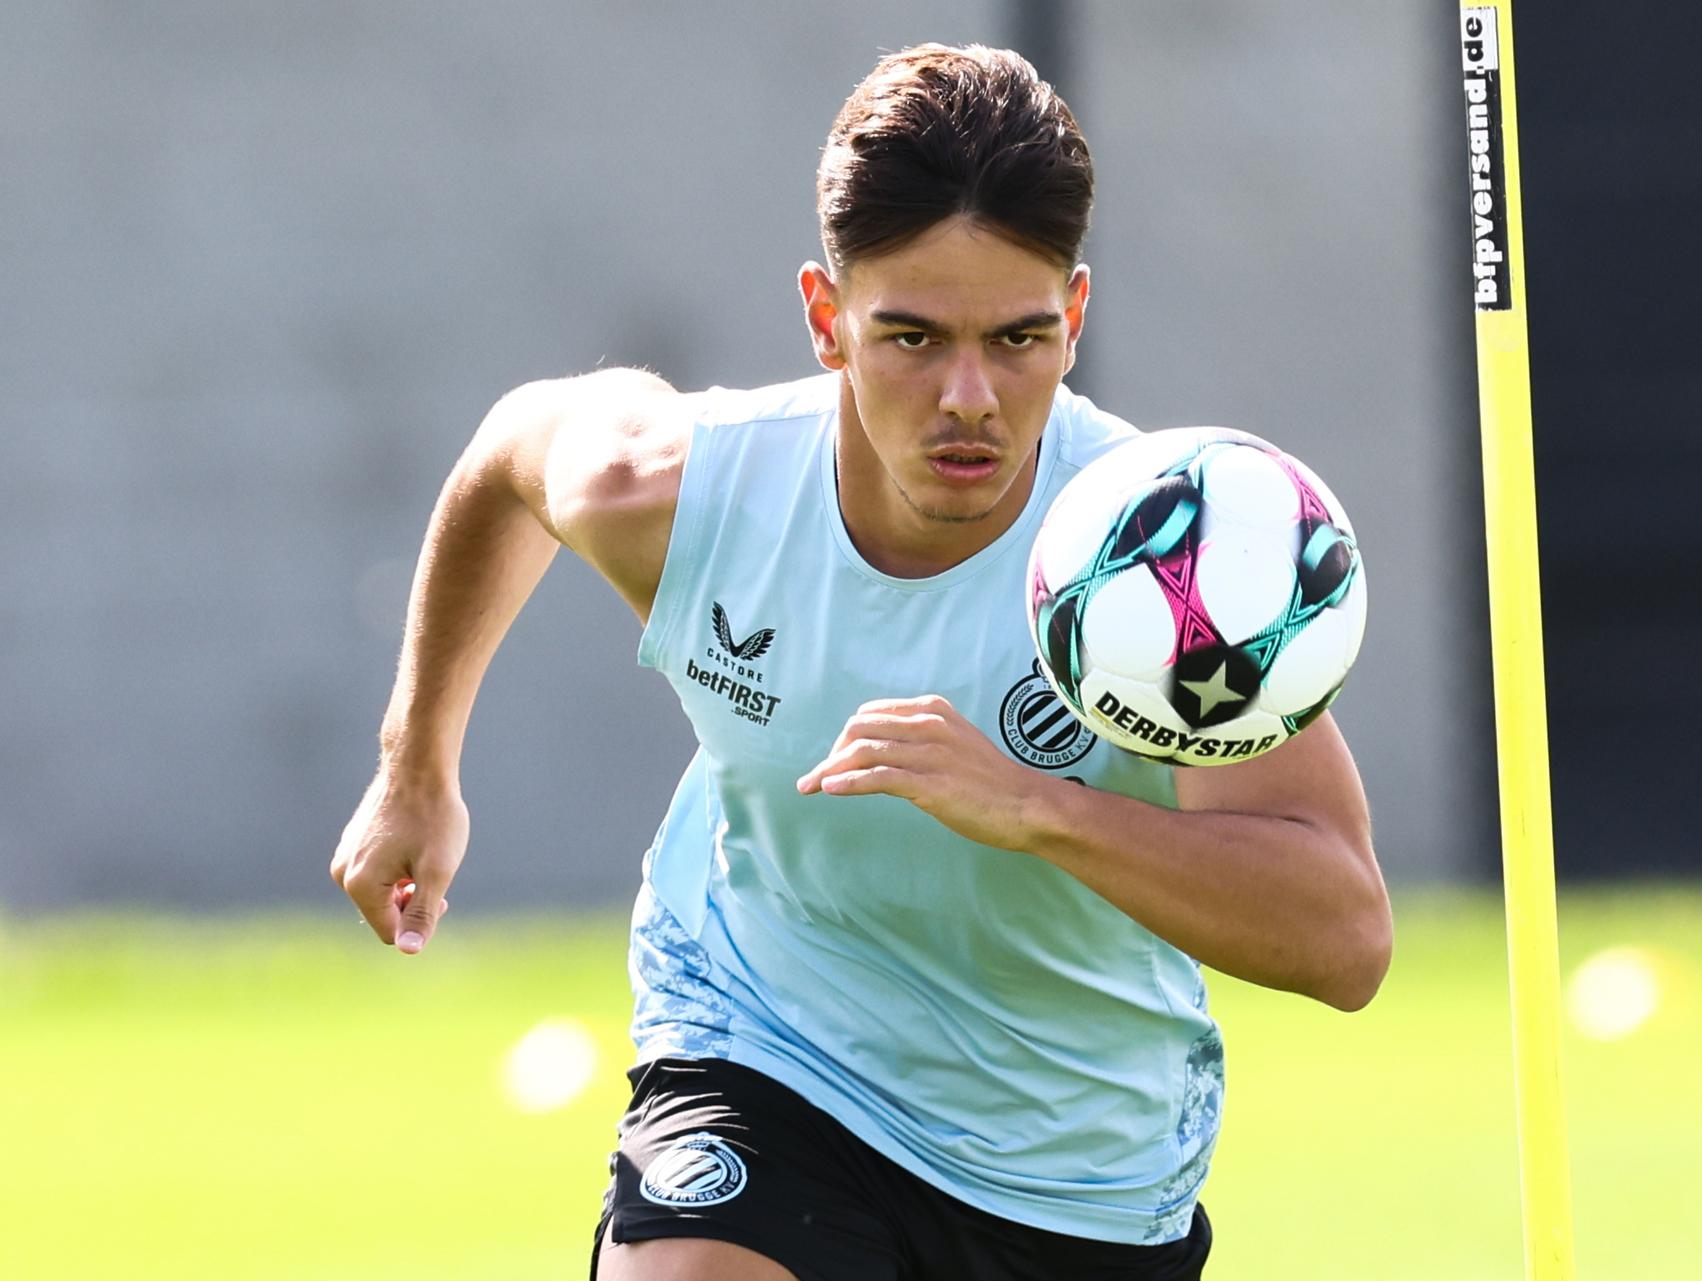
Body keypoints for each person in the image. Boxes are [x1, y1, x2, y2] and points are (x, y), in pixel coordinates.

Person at [331, 43, 1390, 1281]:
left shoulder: (1165, 554)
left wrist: (1039, 809)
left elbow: (1344, 937)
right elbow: (515, 452)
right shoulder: (689, 497)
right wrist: (416, 767)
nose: (969, 397)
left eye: (1017, 339)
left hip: (1069, 1164)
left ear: (1077, 317)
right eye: (910, 337)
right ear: (826, 320)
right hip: (766, 1053)